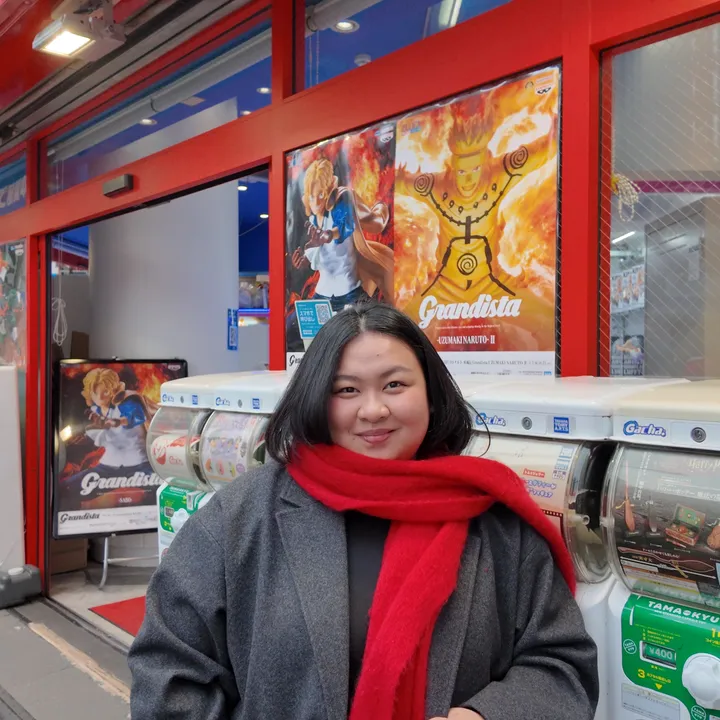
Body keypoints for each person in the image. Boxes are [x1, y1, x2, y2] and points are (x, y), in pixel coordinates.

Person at [129, 301, 598, 720]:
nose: (373, 410)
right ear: (316, 399)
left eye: (395, 384)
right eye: (347, 390)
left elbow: (560, 664)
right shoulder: (240, 519)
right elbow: (168, 671)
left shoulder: (495, 521)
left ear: (431, 393)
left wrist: (483, 717)